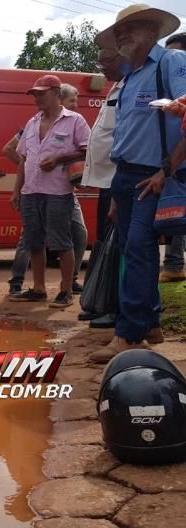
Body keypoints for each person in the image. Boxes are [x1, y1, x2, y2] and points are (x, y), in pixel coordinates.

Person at [90, 4, 186, 363]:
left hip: (154, 174)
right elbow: (128, 133)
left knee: (138, 250)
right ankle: (150, 324)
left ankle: (129, 336)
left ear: (152, 32)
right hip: (126, 176)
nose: (123, 37)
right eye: (119, 33)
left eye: (131, 29)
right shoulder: (130, 76)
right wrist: (117, 191)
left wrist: (166, 169)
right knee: (137, 251)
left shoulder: (171, 63)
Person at [9, 74, 91, 308]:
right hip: (31, 191)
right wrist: (17, 191)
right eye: (34, 94)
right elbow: (23, 159)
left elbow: (88, 150)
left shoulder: (75, 121)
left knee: (61, 242)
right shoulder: (33, 122)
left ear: (56, 93)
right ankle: (39, 288)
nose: (36, 99)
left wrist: (59, 158)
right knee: (34, 242)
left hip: (58, 192)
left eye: (41, 94)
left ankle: (65, 290)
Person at [78, 45, 129, 326]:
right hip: (105, 181)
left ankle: (115, 307)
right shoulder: (116, 87)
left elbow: (126, 138)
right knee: (103, 243)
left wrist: (118, 192)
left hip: (118, 181)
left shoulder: (130, 87)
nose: (102, 69)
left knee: (119, 246)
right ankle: (101, 301)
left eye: (106, 62)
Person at [159, 31, 186, 283]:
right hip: (175, 161)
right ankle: (174, 263)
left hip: (179, 161)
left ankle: (175, 264)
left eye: (178, 54)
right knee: (175, 210)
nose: (172, 60)